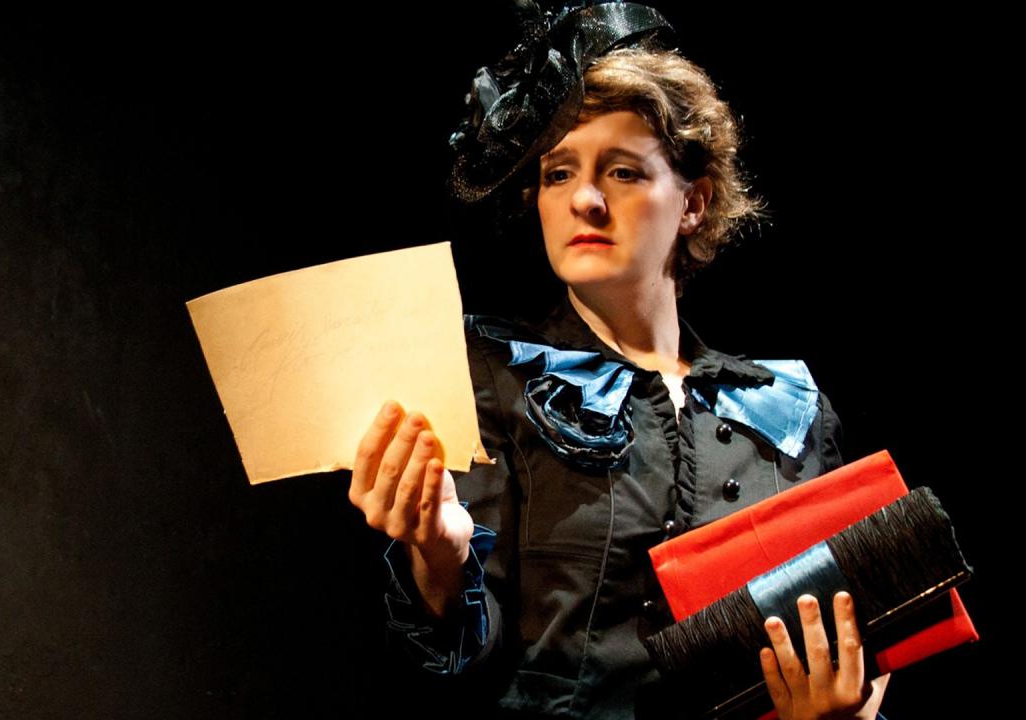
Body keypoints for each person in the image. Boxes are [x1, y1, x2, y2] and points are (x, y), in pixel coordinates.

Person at [347, 3, 889, 718]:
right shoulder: (495, 378)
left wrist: (845, 706)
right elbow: (464, 663)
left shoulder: (790, 410)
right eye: (558, 174)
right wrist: (440, 561)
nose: (585, 199)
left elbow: (854, 637)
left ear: (693, 203)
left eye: (624, 172)